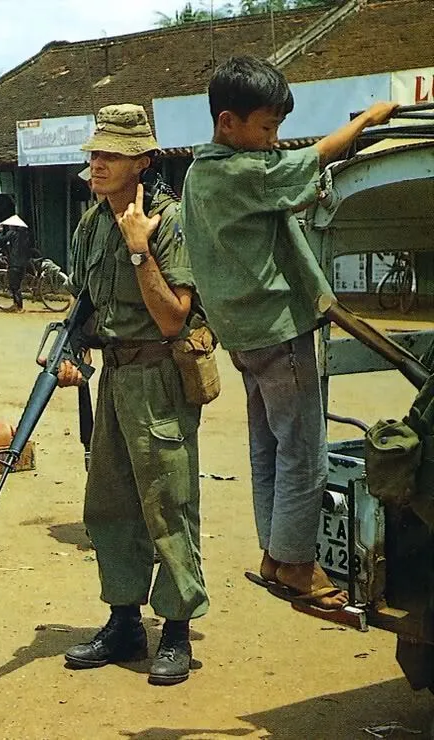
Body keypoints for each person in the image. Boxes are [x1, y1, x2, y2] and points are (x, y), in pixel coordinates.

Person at [180, 56, 398, 611]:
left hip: (243, 337)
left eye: (278, 129)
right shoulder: (242, 172)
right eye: (266, 128)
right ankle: (299, 566)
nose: (274, 140)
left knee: (267, 447)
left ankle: (275, 555)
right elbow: (318, 156)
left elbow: (288, 188)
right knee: (304, 451)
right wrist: (367, 120)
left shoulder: (199, 171)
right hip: (280, 331)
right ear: (228, 123)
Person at [56, 104, 208, 686]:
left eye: (111, 154)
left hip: (160, 380)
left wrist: (140, 249)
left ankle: (175, 630)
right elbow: (86, 310)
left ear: (141, 162)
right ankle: (124, 622)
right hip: (116, 380)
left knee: (168, 504)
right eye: (95, 152)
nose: (97, 162)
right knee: (111, 506)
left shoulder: (168, 223)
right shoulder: (91, 224)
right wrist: (70, 354)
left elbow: (174, 319)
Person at [0, 215, 31, 311]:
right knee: (18, 285)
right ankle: (16, 305)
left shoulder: (12, 233)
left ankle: (19, 307)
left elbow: (1, 240)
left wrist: (0, 230)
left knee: (14, 287)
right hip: (23, 263)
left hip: (14, 263)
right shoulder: (25, 235)